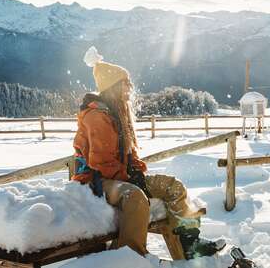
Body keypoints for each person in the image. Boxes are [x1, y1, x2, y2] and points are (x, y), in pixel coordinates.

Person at [72, 47, 224, 259]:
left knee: (173, 186)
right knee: (135, 197)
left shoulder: (117, 112)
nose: (130, 88)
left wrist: (136, 170)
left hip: (118, 177)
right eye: (126, 83)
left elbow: (128, 155)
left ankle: (190, 242)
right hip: (96, 181)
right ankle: (129, 258)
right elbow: (101, 163)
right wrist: (132, 180)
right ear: (113, 87)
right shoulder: (97, 117)